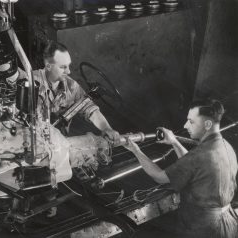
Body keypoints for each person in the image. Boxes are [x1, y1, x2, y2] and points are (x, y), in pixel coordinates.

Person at [124, 99, 238, 238]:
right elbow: (195, 165)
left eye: (191, 121)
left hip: (205, 229)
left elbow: (159, 176)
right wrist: (174, 142)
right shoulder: (225, 146)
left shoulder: (200, 155)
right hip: (228, 222)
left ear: (207, 124)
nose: (185, 125)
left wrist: (136, 150)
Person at [20, 40, 119, 141]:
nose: (68, 71)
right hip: (32, 143)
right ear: (48, 66)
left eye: (68, 66)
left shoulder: (71, 86)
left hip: (60, 144)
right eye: (63, 67)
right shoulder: (30, 81)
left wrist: (107, 128)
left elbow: (90, 109)